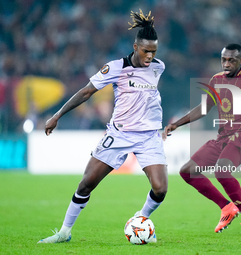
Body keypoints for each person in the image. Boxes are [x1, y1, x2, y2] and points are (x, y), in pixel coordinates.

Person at [38, 10, 167, 243]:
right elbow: (86, 91)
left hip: (149, 136)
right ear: (135, 46)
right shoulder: (116, 67)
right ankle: (64, 232)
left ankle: (140, 218)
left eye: (154, 51)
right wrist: (57, 115)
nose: (150, 56)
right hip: (119, 135)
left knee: (160, 189)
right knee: (86, 184)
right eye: (146, 51)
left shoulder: (158, 67)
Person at [163, 44, 241, 238]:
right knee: (187, 172)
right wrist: (177, 124)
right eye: (223, 59)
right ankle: (227, 207)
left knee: (221, 171)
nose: (226, 63)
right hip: (223, 137)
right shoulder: (216, 80)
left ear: (240, 61)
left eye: (231, 60)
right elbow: (204, 108)